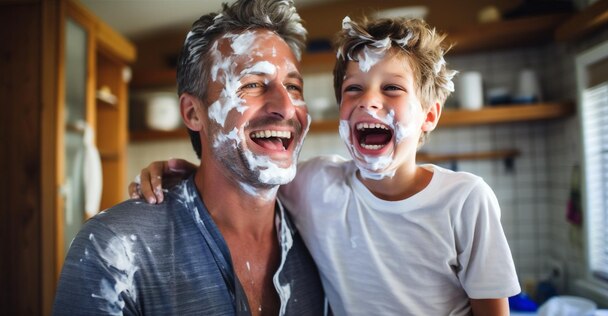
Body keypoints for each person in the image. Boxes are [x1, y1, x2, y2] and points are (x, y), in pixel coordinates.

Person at [132, 16, 521, 315]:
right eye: (354, 88)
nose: (368, 101)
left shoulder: (466, 201)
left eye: (392, 88)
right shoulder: (316, 184)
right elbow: (240, 174)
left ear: (430, 115)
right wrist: (183, 169)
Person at [52, 0, 326, 315]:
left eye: (293, 86)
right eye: (252, 84)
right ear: (193, 113)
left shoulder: (321, 233)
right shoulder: (114, 248)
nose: (287, 106)